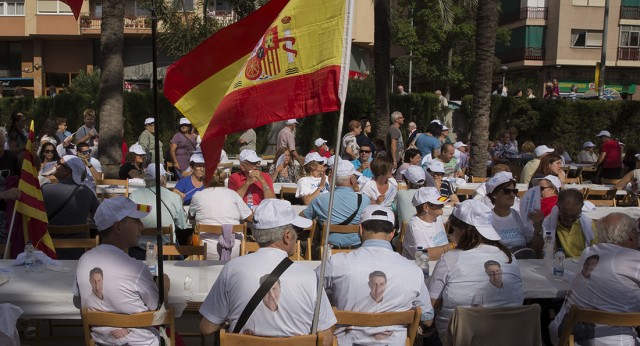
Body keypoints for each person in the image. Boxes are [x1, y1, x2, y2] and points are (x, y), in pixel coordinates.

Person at [199, 199, 336, 343]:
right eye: (298, 232)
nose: (297, 237)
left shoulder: (232, 269)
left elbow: (206, 327)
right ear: (287, 235)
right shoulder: (309, 276)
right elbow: (326, 338)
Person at [319, 205, 434, 345]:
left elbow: (310, 295)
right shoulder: (414, 270)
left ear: (360, 229)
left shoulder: (336, 263)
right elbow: (427, 317)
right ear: (392, 233)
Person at [73, 197, 169, 346]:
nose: (142, 227)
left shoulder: (84, 260)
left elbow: (78, 299)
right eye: (136, 221)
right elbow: (157, 309)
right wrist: (165, 285)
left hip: (101, 342)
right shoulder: (136, 268)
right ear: (118, 228)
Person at [427, 199, 523, 344]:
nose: (452, 235)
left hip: (459, 340)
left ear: (463, 230)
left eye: (453, 229)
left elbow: (431, 308)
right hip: (507, 338)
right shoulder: (509, 257)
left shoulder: (448, 260)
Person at [549, 213, 640, 345]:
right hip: (614, 342)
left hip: (564, 337)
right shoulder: (634, 259)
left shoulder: (588, 252)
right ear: (631, 236)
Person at [303, 160, 370, 248]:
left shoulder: (320, 199)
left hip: (327, 250)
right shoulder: (365, 200)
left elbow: (303, 217)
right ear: (352, 179)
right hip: (356, 248)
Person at [42, 156, 99, 259]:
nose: (55, 165)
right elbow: (99, 217)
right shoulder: (86, 192)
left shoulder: (44, 190)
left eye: (59, 163)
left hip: (47, 250)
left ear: (67, 171)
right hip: (78, 251)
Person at [189, 169, 252, 259]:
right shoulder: (233, 194)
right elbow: (249, 217)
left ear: (204, 181)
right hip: (235, 249)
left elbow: (190, 215)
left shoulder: (198, 195)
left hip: (205, 250)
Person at [129, 164, 187, 257]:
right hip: (166, 252)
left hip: (139, 250)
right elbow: (182, 225)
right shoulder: (174, 197)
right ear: (163, 178)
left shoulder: (134, 195)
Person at [486, 172, 543, 253]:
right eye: (507, 191)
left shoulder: (521, 216)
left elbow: (535, 250)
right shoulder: (487, 219)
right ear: (494, 194)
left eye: (514, 191)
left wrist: (538, 229)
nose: (512, 195)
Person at [542, 189, 597, 258]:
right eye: (566, 215)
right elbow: (541, 252)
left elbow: (595, 252)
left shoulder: (589, 226)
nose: (570, 219)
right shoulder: (548, 224)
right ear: (558, 205)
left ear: (581, 207)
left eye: (574, 216)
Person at [402, 187, 450, 260]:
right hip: (421, 268)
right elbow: (421, 255)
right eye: (439, 203)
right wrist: (452, 247)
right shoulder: (415, 226)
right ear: (426, 207)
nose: (443, 205)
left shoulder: (437, 218)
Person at [0, 131, 22, 244]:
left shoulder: (10, 157)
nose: (1, 149)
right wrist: (2, 194)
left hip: (9, 215)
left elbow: (21, 179)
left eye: (2, 145)